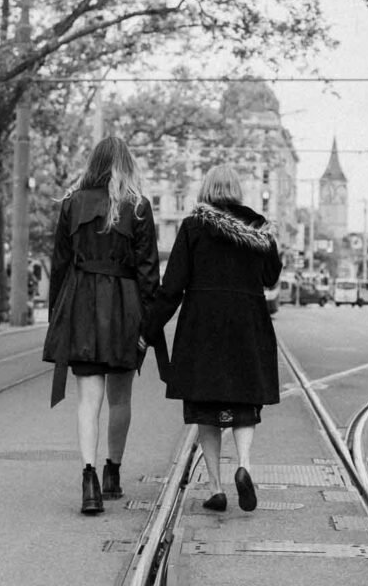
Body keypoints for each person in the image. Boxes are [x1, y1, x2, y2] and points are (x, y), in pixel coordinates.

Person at [144, 164, 282, 514]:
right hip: (247, 324)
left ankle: (216, 488)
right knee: (245, 402)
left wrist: (148, 329)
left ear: (205, 190)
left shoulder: (193, 226)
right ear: (237, 191)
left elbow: (173, 286)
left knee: (206, 407)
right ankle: (244, 466)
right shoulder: (258, 227)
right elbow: (270, 276)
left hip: (202, 325)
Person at [43, 137, 161, 516]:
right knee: (120, 398)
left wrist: (56, 318)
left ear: (93, 164)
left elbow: (60, 266)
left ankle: (88, 478)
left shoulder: (71, 204)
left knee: (88, 400)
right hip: (125, 309)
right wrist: (149, 326)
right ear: (126, 165)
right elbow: (149, 273)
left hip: (82, 307)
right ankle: (113, 472)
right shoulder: (137, 207)